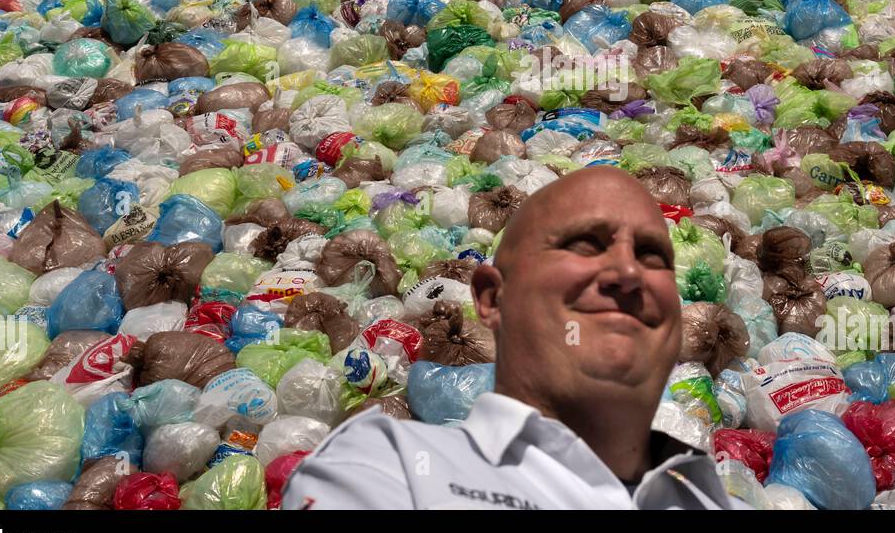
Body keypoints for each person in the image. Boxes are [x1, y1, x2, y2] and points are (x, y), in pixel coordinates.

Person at [283, 165, 744, 509]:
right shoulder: (385, 470)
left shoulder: (706, 496)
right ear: (491, 299)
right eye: (584, 245)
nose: (627, 272)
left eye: (652, 255)